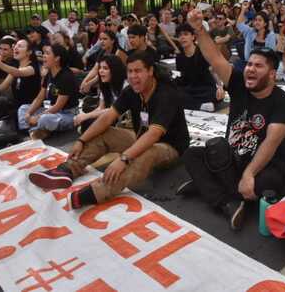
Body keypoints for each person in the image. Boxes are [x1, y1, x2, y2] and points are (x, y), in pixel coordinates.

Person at [179, 9, 285, 230]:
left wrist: (250, 174)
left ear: (272, 74)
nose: (250, 69)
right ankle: (226, 201)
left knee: (261, 185)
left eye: (258, 66)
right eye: (249, 64)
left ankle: (208, 185)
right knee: (191, 154)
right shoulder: (239, 83)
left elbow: (270, 146)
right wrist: (198, 29)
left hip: (266, 167)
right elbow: (214, 57)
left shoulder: (283, 102)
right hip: (231, 159)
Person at [28, 51, 189, 209]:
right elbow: (107, 117)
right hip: (141, 137)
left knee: (148, 151)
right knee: (105, 132)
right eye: (130, 71)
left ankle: (99, 191)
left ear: (150, 71)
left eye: (138, 71)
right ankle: (68, 169)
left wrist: (124, 159)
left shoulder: (166, 93)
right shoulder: (131, 90)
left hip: (170, 148)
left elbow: (154, 134)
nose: (133, 76)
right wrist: (81, 140)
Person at [18, 43, 79, 140]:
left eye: (47, 53)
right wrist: (29, 114)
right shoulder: (49, 74)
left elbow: (58, 107)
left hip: (67, 114)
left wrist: (37, 118)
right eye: (43, 53)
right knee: (23, 108)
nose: (43, 56)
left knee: (45, 119)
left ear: (57, 58)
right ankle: (30, 132)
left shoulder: (66, 77)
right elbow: (39, 97)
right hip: (50, 110)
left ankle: (36, 132)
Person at [74, 54, 126, 132]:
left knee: (87, 123)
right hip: (110, 118)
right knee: (85, 122)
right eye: (100, 68)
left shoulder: (125, 86)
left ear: (115, 70)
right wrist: (83, 116)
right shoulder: (105, 85)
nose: (100, 71)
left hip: (123, 121)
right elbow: (101, 108)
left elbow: (114, 111)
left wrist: (86, 116)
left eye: (105, 68)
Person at [174, 23, 220, 112]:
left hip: (204, 86)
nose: (182, 37)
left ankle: (194, 104)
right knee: (173, 93)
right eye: (180, 35)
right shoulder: (179, 56)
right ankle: (200, 106)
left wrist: (220, 87)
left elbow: (213, 70)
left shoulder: (202, 52)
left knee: (214, 94)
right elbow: (183, 77)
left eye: (186, 34)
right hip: (189, 87)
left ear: (193, 36)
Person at [0, 38, 42, 111]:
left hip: (30, 108)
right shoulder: (16, 67)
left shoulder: (32, 67)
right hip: (17, 106)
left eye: (20, 46)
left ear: (29, 52)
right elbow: (2, 87)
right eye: (16, 46)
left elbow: (18, 72)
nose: (16, 48)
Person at [236, 2, 277, 71]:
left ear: (265, 24)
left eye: (260, 20)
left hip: (264, 65)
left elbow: (271, 53)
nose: (257, 22)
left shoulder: (271, 35)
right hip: (250, 63)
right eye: (255, 20)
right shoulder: (250, 31)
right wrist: (243, 9)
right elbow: (239, 25)